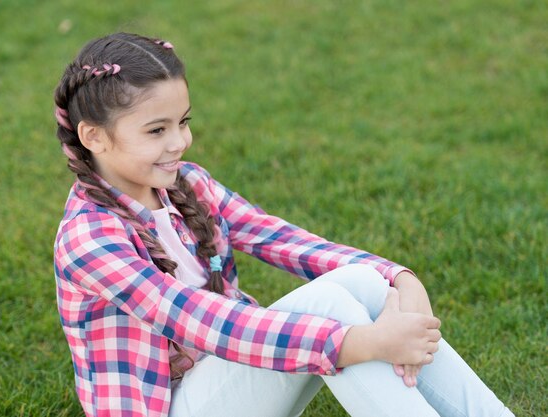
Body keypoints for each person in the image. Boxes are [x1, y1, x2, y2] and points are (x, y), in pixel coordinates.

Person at [52, 32, 514, 417]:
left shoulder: (186, 184)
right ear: (94, 136)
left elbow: (280, 238)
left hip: (228, 380)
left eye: (183, 122)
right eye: (157, 130)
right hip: (167, 404)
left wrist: (396, 276)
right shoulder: (90, 237)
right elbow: (198, 319)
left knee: (355, 281)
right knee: (330, 306)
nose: (180, 142)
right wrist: (360, 342)